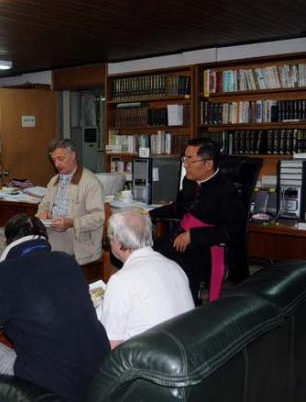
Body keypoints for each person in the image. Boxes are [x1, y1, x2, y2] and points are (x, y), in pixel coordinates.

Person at [0, 214, 110, 402]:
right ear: (45, 238)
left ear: (7, 243)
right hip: (98, 377)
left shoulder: (5, 273)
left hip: (53, 386)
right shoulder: (68, 262)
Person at [150, 138, 244, 305]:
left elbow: (230, 232)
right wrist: (148, 214)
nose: (185, 165)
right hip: (181, 236)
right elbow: (178, 209)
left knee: (178, 277)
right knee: (150, 255)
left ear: (208, 164)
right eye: (184, 159)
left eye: (190, 160)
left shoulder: (226, 190)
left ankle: (188, 309)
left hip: (206, 246)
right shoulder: (189, 181)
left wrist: (193, 236)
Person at [100, 209, 194, 348]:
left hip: (149, 357)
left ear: (118, 243)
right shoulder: (175, 267)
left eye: (110, 239)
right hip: (185, 349)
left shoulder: (121, 281)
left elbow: (110, 345)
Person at [37, 138, 105, 266]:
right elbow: (43, 205)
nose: (57, 164)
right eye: (54, 160)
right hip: (55, 230)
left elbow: (98, 217)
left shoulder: (90, 182)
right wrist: (43, 212)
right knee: (26, 244)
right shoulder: (54, 181)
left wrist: (71, 222)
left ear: (73, 155)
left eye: (60, 159)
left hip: (78, 238)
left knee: (40, 253)